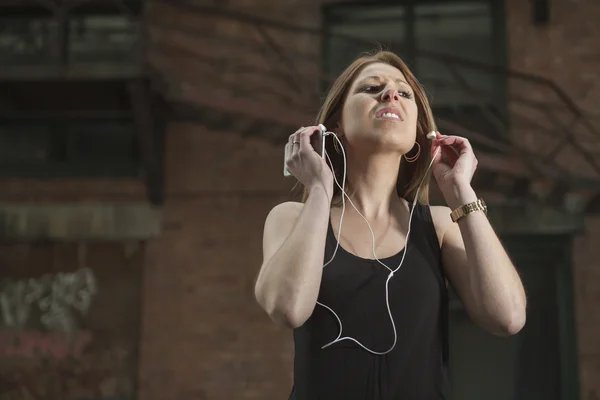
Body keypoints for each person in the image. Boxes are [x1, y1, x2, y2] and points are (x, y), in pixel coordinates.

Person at [254, 50, 527, 399]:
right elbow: (287, 308)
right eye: (371, 87)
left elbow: (508, 317)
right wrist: (320, 189)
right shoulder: (290, 218)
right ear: (335, 124)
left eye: (404, 92)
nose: (390, 94)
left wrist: (461, 192)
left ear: (417, 132)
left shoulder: (440, 225)